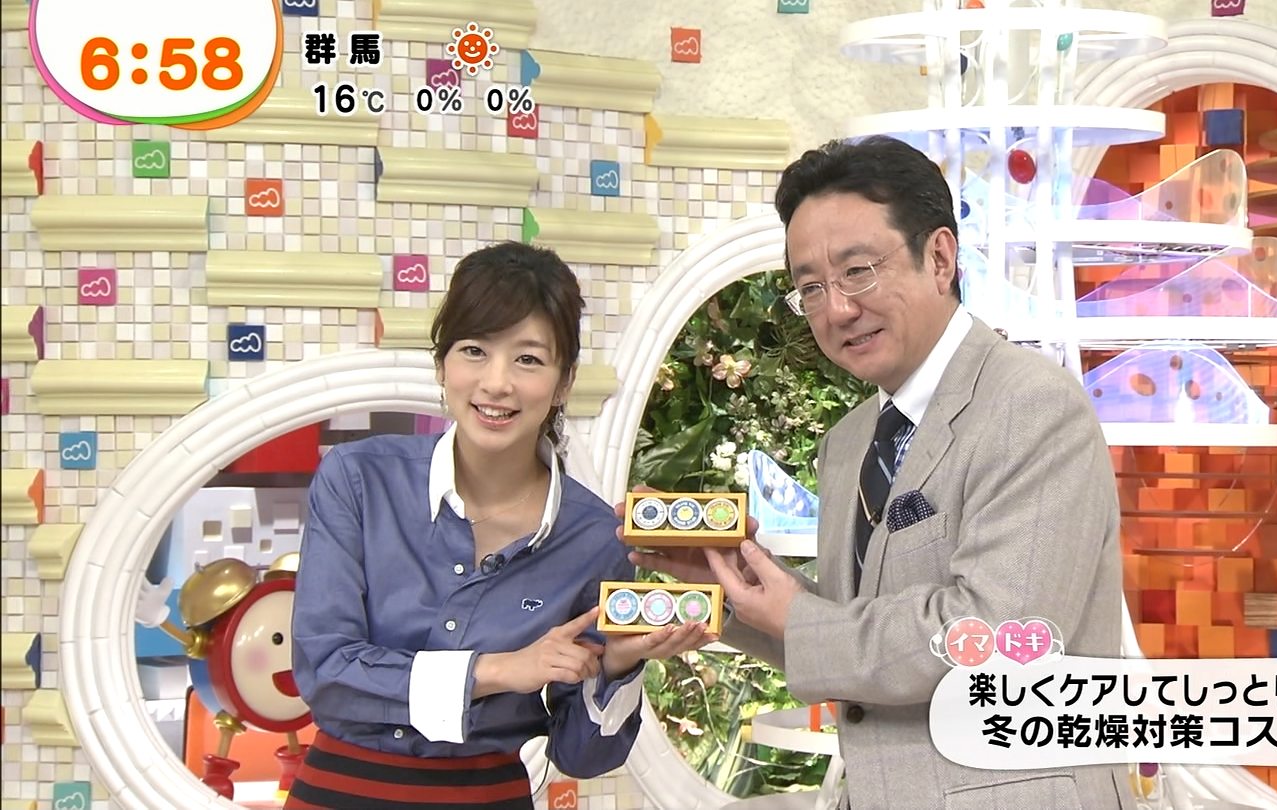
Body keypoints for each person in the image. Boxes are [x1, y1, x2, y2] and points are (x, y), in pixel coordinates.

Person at [631, 136, 1133, 810]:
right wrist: (732, 586)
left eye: (858, 271)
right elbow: (854, 636)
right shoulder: (848, 442)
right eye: (811, 288)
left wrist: (797, 618)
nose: (837, 308)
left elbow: (997, 635)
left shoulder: (1032, 406)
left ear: (940, 258)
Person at [288, 242, 714, 810]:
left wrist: (617, 663)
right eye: (474, 350)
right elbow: (326, 672)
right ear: (442, 365)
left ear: (563, 383)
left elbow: (581, 757)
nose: (496, 383)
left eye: (528, 359)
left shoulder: (594, 537)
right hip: (337, 793)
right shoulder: (358, 480)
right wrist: (500, 670)